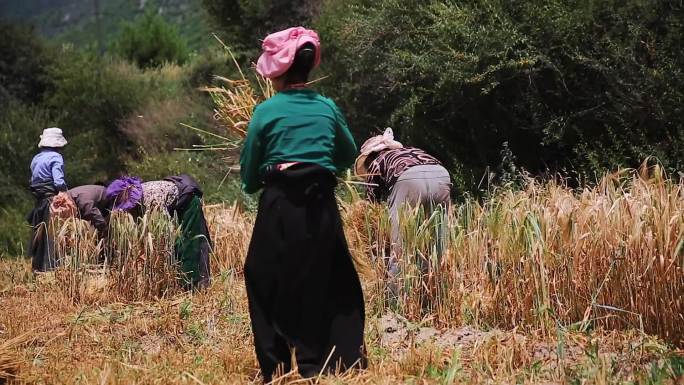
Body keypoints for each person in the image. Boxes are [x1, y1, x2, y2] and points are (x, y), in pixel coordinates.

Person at [240, 26, 366, 381]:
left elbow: (249, 170)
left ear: (276, 71)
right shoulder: (326, 107)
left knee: (264, 278)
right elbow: (347, 152)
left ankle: (277, 368)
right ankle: (326, 362)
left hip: (280, 204)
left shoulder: (266, 112)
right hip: (321, 203)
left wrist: (255, 181)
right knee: (326, 278)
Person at [355, 128, 451, 281]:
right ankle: (436, 290)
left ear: (369, 157)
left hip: (408, 180)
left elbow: (371, 206)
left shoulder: (376, 162)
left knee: (400, 250)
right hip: (441, 175)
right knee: (436, 242)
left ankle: (394, 299)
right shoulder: (411, 150)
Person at [106, 175, 212, 289]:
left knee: (190, 242)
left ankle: (193, 284)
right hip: (174, 206)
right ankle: (181, 282)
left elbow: (164, 233)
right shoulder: (139, 205)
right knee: (177, 245)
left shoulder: (153, 199)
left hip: (189, 202)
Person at [27, 127, 68, 272]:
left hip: (38, 199)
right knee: (52, 234)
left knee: (40, 232)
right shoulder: (56, 157)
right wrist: (65, 192)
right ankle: (50, 268)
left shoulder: (36, 158)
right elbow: (58, 181)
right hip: (50, 199)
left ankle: (37, 267)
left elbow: (32, 179)